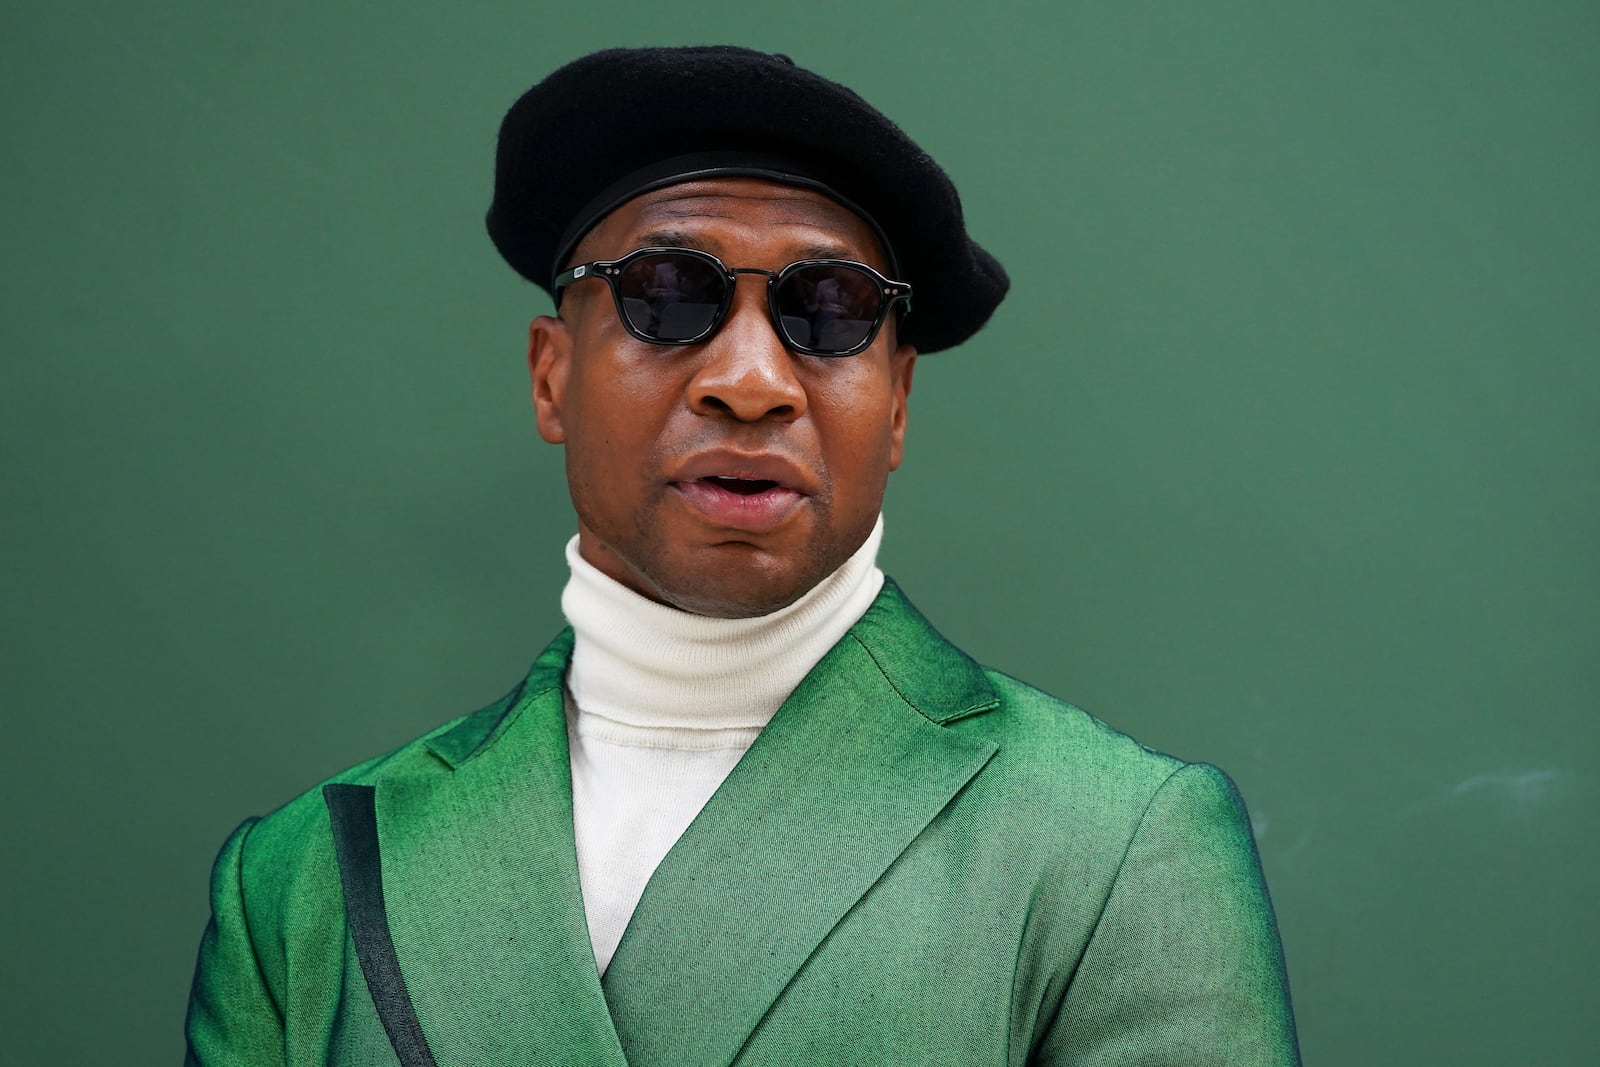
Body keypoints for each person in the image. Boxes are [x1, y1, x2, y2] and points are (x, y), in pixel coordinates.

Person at [184, 45, 1300, 1066]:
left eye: (831, 310)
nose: (753, 380)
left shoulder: (1113, 843)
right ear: (550, 375)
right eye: (668, 296)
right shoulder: (301, 881)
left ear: (898, 403)